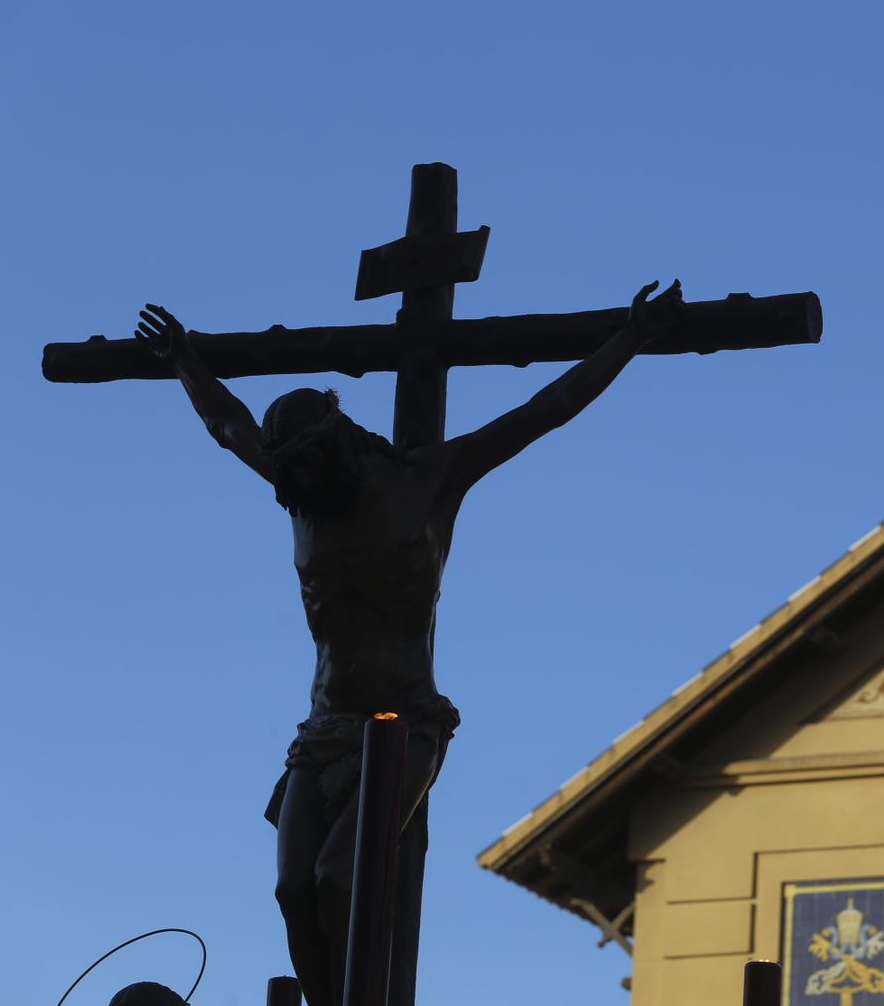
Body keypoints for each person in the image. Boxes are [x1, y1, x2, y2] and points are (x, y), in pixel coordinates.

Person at [134, 281, 683, 1006]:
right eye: (285, 469)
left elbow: (542, 412)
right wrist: (184, 362)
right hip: (324, 727)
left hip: (404, 725)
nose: (291, 481)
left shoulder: (429, 480)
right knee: (293, 888)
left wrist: (630, 339)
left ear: (333, 443)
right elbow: (229, 423)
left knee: (338, 879)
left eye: (302, 463)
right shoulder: (301, 489)